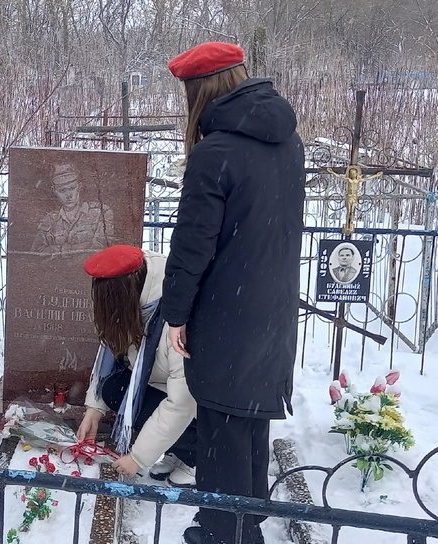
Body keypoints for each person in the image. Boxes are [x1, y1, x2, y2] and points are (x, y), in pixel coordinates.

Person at [161, 42, 305, 544]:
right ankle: (245, 524)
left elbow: (192, 245)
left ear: (198, 91)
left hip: (227, 313)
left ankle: (224, 530)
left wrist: (175, 313)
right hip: (272, 310)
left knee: (222, 428)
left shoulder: (215, 152)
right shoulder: (288, 141)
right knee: (250, 426)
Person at [76, 245, 197, 487]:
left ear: (125, 297)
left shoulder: (176, 317)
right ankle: (180, 448)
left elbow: (182, 402)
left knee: (177, 406)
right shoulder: (137, 297)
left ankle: (198, 457)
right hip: (162, 384)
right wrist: (94, 410)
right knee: (114, 389)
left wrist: (139, 457)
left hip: (201, 400)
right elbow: (111, 352)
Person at [31, 163, 113, 255]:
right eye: (62, 190)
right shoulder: (49, 220)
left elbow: (102, 248)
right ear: (54, 191)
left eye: (72, 188)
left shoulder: (101, 212)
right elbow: (37, 253)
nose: (68, 195)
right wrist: (76, 247)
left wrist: (62, 250)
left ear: (80, 186)